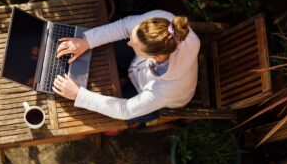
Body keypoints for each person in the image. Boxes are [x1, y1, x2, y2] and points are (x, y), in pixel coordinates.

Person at [52, 10, 200, 130]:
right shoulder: (160, 22)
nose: (128, 43)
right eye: (131, 38)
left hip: (156, 96)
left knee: (111, 119)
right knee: (109, 48)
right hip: (141, 68)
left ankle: (136, 121)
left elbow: (125, 109)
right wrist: (86, 42)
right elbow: (123, 27)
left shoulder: (167, 89)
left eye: (134, 45)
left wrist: (78, 95)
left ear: (154, 56)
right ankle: (126, 75)